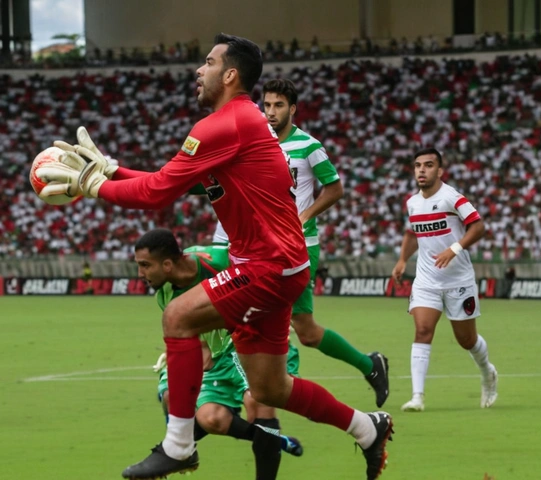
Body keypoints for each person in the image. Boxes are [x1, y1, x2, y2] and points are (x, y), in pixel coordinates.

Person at [40, 33, 392, 480]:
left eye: (207, 62)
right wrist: (110, 169)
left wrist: (94, 186)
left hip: (268, 265)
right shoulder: (240, 124)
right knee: (270, 387)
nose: (198, 70)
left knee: (178, 317)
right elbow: (169, 181)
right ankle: (368, 428)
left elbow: (155, 194)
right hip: (280, 263)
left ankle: (179, 445)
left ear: (230, 74)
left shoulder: (224, 124)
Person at [136, 228, 303, 480]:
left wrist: (279, 316)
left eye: (145, 265)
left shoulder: (220, 260)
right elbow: (197, 335)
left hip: (256, 334)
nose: (140, 274)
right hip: (222, 349)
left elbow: (267, 272)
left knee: (257, 402)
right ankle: (186, 450)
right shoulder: (166, 294)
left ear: (168, 264)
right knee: (205, 415)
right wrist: (200, 353)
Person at [263, 78, 389, 407]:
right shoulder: (258, 143)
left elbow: (334, 188)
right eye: (267, 105)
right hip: (264, 245)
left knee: (304, 330)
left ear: (292, 108)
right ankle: (279, 381)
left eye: (278, 105)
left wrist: (304, 215)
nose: (272, 112)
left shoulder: (308, 145)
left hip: (299, 245)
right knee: (265, 315)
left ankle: (368, 365)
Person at [392, 148, 498, 412]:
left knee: (466, 340)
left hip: (458, 280)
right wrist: (403, 260)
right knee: (422, 331)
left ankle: (488, 372)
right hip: (427, 280)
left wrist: (455, 249)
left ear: (439, 171)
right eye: (418, 165)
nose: (421, 170)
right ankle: (417, 396)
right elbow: (411, 233)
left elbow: (478, 226)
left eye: (428, 165)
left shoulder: (453, 198)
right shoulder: (413, 203)